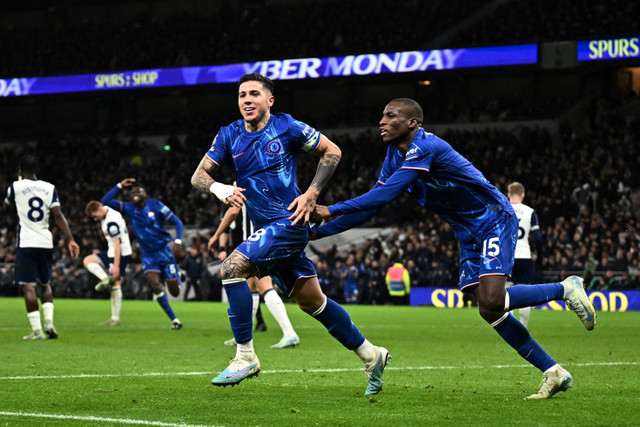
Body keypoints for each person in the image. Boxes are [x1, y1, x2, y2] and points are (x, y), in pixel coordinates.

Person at [313, 98, 597, 400]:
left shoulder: (425, 147)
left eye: (390, 116)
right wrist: (317, 233)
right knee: (490, 310)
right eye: (382, 115)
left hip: (493, 218)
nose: (382, 121)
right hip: (467, 231)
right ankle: (553, 371)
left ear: (412, 123)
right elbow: (369, 206)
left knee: (493, 299)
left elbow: (384, 195)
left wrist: (330, 209)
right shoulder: (392, 156)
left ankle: (565, 288)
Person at [191, 72, 389, 394]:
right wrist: (218, 187)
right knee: (312, 302)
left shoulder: (287, 126)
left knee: (230, 269)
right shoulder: (228, 135)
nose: (246, 100)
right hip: (266, 229)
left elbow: (332, 151)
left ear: (270, 100)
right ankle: (371, 354)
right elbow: (198, 175)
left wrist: (312, 192)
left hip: (289, 222)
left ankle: (245, 356)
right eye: (242, 95)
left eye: (254, 94)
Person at [3, 154, 80, 340]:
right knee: (45, 284)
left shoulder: (15, 186)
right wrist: (70, 239)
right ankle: (49, 324)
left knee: (28, 287)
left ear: (20, 170)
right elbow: (58, 215)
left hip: (27, 242)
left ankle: (37, 331)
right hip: (45, 242)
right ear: (37, 169)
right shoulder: (49, 188)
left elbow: (6, 207)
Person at [208, 203, 300, 348]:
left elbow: (233, 211)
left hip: (256, 243)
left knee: (265, 286)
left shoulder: (242, 186)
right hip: (261, 240)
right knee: (251, 288)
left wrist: (216, 234)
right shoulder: (259, 185)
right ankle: (244, 337)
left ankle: (289, 333)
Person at [102, 178, 184, 330]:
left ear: (145, 194)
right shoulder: (129, 208)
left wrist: (178, 242)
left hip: (164, 252)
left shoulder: (156, 204)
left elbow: (178, 222)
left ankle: (177, 277)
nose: (134, 193)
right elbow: (105, 200)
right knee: (155, 285)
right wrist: (119, 185)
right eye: (132, 192)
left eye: (138, 191)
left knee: (174, 291)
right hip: (148, 255)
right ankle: (175, 320)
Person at [84, 200, 133, 326]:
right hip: (112, 251)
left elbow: (117, 243)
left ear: (99, 209)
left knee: (115, 283)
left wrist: (116, 265)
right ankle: (105, 278)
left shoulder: (111, 221)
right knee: (88, 260)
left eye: (95, 216)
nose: (95, 219)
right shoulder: (107, 211)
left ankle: (115, 319)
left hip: (120, 253)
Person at [507, 182, 543, 328]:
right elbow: (538, 238)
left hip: (506, 257)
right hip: (524, 255)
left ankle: (509, 329)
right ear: (523, 195)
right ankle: (523, 327)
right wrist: (539, 256)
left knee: (507, 292)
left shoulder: (503, 210)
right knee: (524, 293)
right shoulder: (530, 211)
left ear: (508, 195)